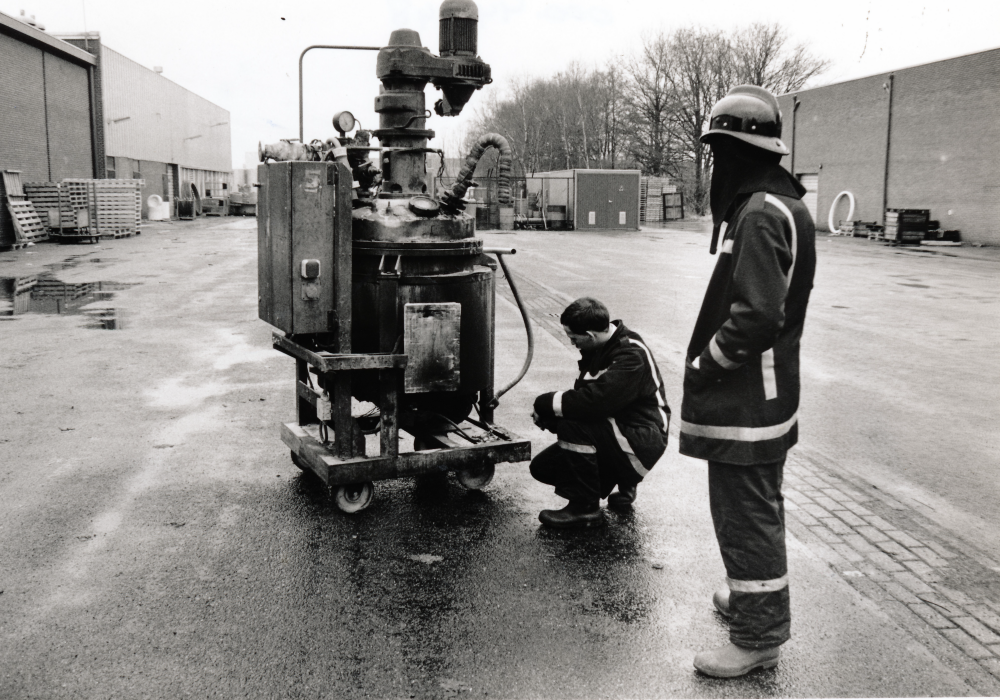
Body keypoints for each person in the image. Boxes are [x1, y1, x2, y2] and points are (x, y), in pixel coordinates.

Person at [679, 85, 816, 677]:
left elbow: (757, 315)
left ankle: (757, 636)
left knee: (745, 512)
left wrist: (708, 364)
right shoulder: (782, 203)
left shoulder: (760, 212)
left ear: (731, 150)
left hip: (745, 399)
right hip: (768, 393)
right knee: (756, 506)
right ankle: (753, 597)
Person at [529, 297, 670, 528]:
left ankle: (584, 508)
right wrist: (551, 417)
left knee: (572, 426)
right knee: (543, 468)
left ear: (591, 335)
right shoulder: (601, 346)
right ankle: (623, 478)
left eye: (574, 337)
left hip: (642, 441)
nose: (572, 342)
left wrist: (544, 403)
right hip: (622, 431)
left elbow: (594, 403)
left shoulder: (631, 354)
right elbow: (587, 401)